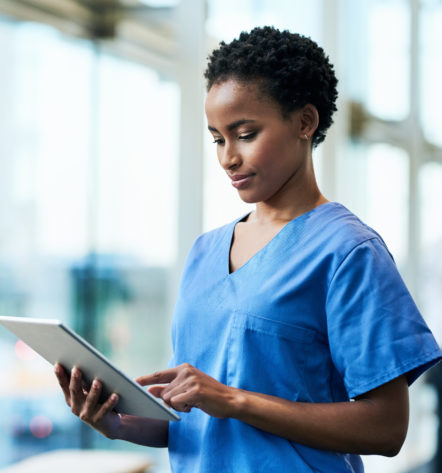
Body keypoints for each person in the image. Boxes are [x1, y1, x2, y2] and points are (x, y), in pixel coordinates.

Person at [54, 26, 442, 472]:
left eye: (245, 133)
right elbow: (193, 422)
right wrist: (118, 424)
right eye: (218, 138)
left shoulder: (349, 252)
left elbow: (387, 429)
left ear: (305, 122)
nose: (227, 158)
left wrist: (234, 399)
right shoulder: (205, 252)